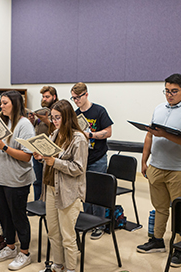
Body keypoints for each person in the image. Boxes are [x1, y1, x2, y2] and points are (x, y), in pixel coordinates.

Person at [136, 73, 181, 268]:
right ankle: (158, 240)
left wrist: (164, 134)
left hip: (179, 169)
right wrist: (144, 160)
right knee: (159, 207)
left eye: (174, 91)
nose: (169, 95)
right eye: (166, 91)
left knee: (180, 210)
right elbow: (150, 136)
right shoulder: (159, 108)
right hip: (156, 166)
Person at [0, 90, 35, 271]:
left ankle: (25, 252)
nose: (1, 106)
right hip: (1, 178)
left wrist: (4, 146)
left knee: (18, 217)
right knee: (5, 216)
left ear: (15, 104)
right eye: (1, 103)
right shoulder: (6, 123)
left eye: (5, 103)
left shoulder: (24, 124)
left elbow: (27, 156)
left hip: (17, 180)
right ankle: (10, 246)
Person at [34, 99, 88, 272]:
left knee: (67, 236)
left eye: (58, 118)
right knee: (53, 232)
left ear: (67, 117)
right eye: (52, 117)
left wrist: (54, 162)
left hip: (69, 192)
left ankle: (71, 269)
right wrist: (41, 157)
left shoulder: (79, 138)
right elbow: (50, 160)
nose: (55, 121)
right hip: (51, 188)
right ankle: (58, 265)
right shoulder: (54, 134)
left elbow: (78, 168)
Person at [71, 82, 113, 240]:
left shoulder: (99, 110)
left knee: (97, 191)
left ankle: (100, 224)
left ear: (86, 94)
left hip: (98, 158)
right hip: (82, 159)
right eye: (73, 98)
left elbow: (108, 132)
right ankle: (89, 220)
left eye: (78, 98)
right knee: (84, 191)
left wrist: (91, 135)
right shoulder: (75, 114)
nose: (76, 101)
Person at [32, 86, 59, 201]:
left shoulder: (58, 112)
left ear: (54, 97)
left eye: (47, 97)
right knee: (38, 180)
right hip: (37, 150)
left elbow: (58, 130)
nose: (44, 99)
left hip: (50, 151)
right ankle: (37, 202)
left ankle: (46, 204)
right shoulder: (42, 111)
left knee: (48, 181)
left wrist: (47, 121)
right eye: (43, 97)